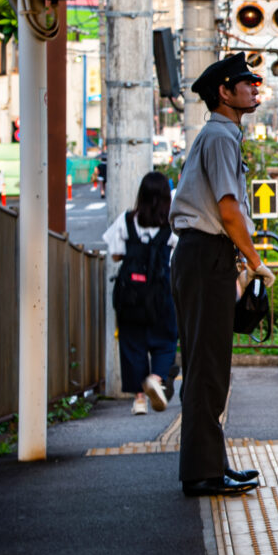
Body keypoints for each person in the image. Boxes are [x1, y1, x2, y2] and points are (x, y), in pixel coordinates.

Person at [169, 52, 276, 498]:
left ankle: (208, 465)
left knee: (204, 365)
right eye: (244, 83)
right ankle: (202, 473)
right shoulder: (220, 137)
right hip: (205, 255)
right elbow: (229, 209)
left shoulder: (220, 135)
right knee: (208, 368)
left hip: (203, 257)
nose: (254, 88)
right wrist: (255, 261)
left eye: (254, 82)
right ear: (224, 93)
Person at [103, 171, 179, 415]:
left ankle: (138, 399)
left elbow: (115, 254)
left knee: (132, 344)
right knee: (166, 341)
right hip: (162, 295)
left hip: (131, 296)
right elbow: (177, 258)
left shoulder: (126, 220)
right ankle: (155, 380)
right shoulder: (172, 225)